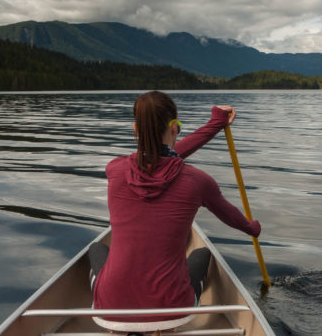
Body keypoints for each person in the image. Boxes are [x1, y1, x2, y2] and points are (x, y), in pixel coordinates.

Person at [90, 91, 260, 322]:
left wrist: (215, 124)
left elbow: (165, 156)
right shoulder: (198, 181)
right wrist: (253, 228)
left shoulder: (115, 170)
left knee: (96, 250)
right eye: (177, 127)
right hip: (173, 310)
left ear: (136, 130)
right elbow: (236, 220)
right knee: (201, 254)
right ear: (174, 129)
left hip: (111, 310)